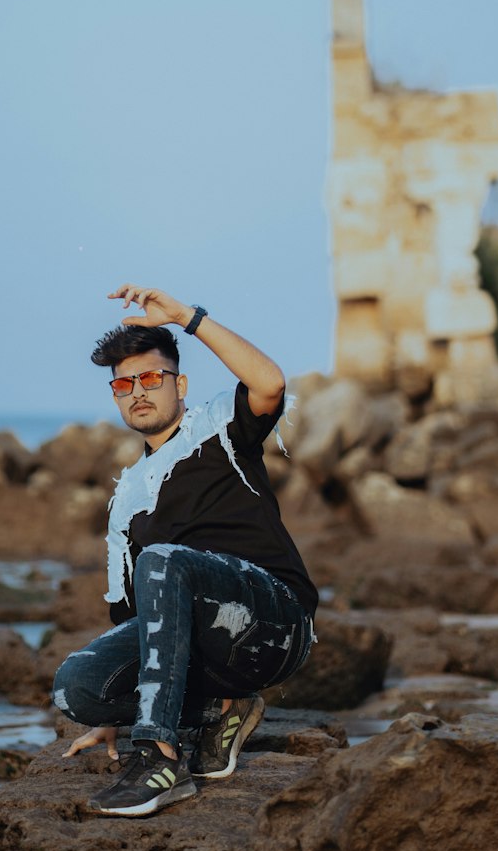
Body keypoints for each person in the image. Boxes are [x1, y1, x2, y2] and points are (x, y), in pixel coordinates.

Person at [52, 284, 317, 817]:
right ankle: (224, 708)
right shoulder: (128, 500)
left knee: (164, 559)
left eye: (151, 378)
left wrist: (185, 317)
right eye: (124, 384)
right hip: (205, 656)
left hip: (273, 625)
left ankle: (158, 758)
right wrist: (109, 709)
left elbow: (270, 383)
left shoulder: (218, 430)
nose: (138, 391)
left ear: (180, 384)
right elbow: (135, 618)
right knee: (74, 689)